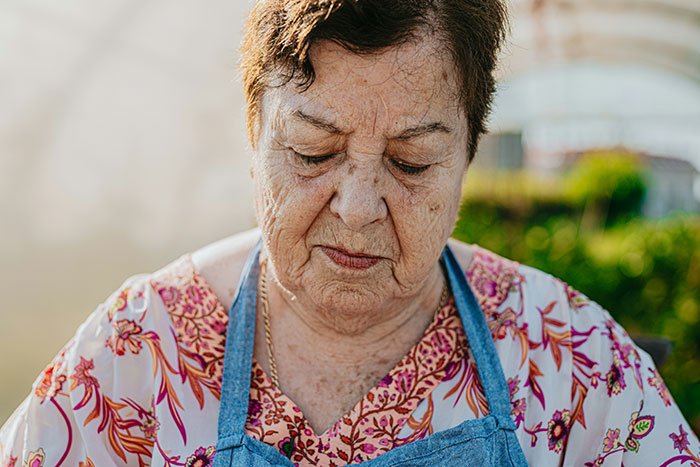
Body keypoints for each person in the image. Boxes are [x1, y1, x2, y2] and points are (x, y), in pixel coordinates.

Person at [1, 0, 698, 466]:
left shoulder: (577, 367)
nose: (359, 206)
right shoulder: (133, 360)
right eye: (312, 152)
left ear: (469, 154)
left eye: (412, 161)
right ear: (253, 136)